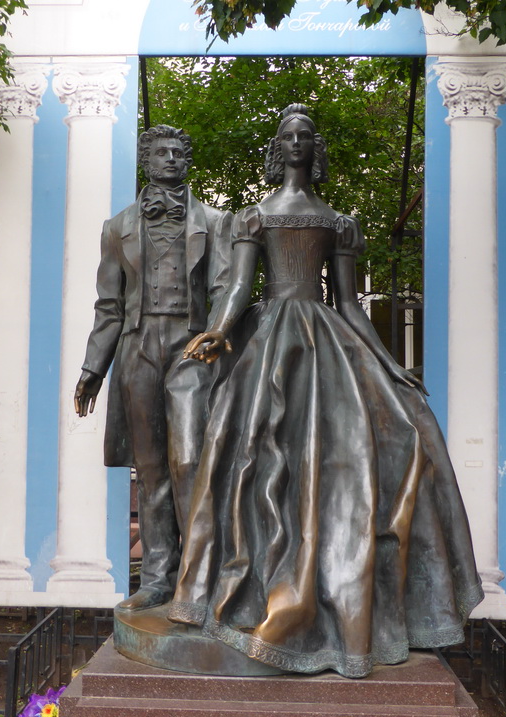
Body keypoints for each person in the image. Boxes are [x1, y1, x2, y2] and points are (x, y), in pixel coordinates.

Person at [168, 104, 483, 677]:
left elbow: (350, 305)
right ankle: (253, 590)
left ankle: (346, 601)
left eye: (305, 136)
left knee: (396, 437)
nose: (296, 144)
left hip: (328, 341)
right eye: (287, 135)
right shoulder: (254, 218)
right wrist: (215, 331)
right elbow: (239, 288)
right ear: (277, 146)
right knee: (255, 460)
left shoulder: (338, 222)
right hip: (272, 345)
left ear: (316, 149)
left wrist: (390, 363)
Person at [74, 125, 232, 610]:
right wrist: (93, 369)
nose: (170, 159)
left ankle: (199, 576)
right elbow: (109, 306)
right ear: (146, 160)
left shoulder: (215, 220)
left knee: (188, 462)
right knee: (150, 468)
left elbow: (226, 286)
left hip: (191, 346)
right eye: (160, 152)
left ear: (187, 161)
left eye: (178, 152)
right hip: (138, 347)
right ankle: (159, 578)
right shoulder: (116, 227)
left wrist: (219, 333)